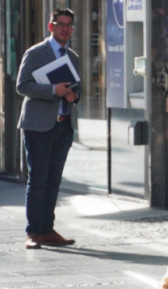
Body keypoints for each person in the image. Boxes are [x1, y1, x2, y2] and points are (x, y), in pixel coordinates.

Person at [16, 7, 81, 249]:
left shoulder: (72, 57)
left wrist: (74, 95)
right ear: (50, 26)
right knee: (38, 179)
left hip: (63, 127)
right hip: (38, 126)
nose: (65, 28)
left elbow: (77, 88)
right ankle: (33, 232)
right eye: (60, 24)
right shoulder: (36, 53)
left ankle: (47, 229)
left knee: (53, 180)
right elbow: (22, 86)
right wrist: (54, 90)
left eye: (69, 25)